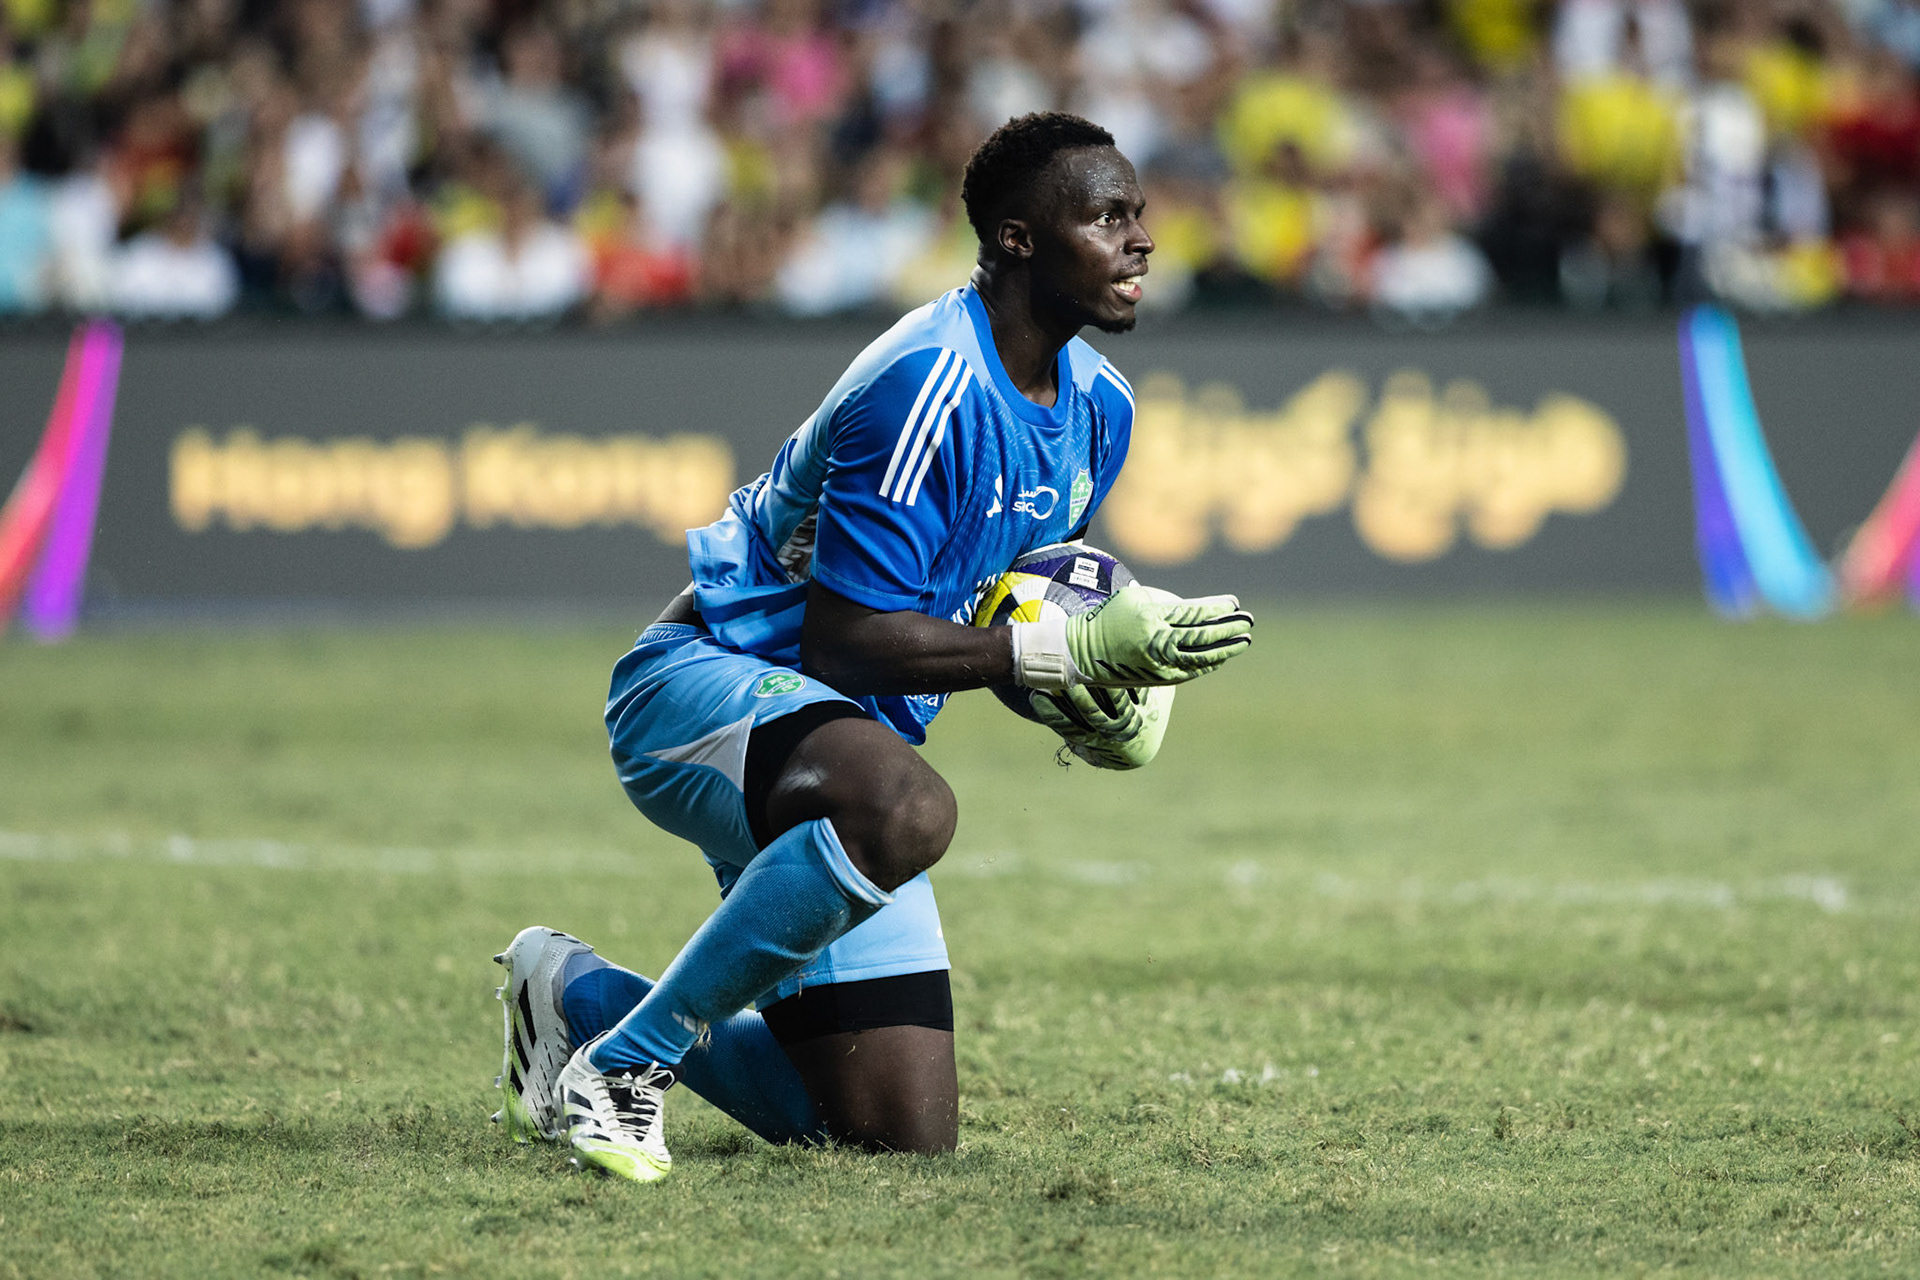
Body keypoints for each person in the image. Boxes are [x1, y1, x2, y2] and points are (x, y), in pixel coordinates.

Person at [490, 112, 1255, 1182]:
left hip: (834, 744)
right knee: (912, 808)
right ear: (1020, 239)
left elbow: (992, 618)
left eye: (1140, 214)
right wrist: (1060, 655)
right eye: (1108, 215)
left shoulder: (1100, 413)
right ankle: (624, 1067)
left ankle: (576, 995)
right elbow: (846, 640)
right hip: (696, 685)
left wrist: (1098, 693)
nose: (1142, 239)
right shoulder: (925, 383)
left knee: (891, 1130)